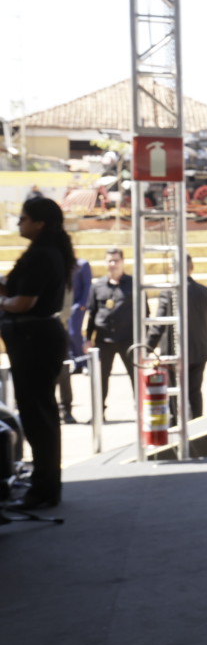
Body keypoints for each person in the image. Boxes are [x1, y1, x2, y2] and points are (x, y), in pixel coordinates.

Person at [1, 197, 73, 510]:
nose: (19, 223)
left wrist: (3, 304)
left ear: (39, 222)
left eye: (24, 218)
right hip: (36, 338)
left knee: (38, 415)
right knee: (39, 414)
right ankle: (45, 485)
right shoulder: (46, 252)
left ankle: (44, 490)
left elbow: (23, 301)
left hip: (34, 339)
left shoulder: (43, 255)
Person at [146, 254, 207, 419]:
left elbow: (159, 323)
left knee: (175, 394)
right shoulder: (204, 292)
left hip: (174, 353)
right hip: (199, 351)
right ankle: (197, 428)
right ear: (192, 267)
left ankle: (176, 428)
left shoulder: (168, 293)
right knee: (194, 392)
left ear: (173, 268)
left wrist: (147, 347)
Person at [86, 246, 135, 416]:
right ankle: (99, 413)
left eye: (116, 260)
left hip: (128, 340)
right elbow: (92, 314)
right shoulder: (97, 286)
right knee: (100, 379)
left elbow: (144, 312)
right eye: (110, 261)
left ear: (122, 262)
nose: (113, 264)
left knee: (136, 376)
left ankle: (141, 413)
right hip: (104, 340)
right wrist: (87, 338)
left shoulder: (134, 284)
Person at [57, 253, 92, 422]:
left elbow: (81, 290)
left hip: (61, 322)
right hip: (45, 327)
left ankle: (66, 410)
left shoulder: (78, 265)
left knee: (63, 373)